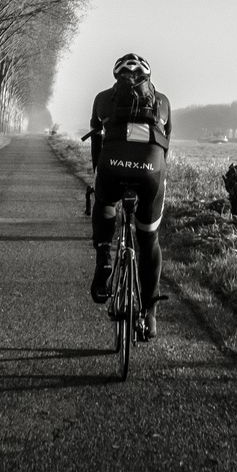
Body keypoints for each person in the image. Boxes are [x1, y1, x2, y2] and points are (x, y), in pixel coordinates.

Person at [87, 53, 172, 340]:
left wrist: (97, 175)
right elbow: (165, 147)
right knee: (149, 238)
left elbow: (96, 143)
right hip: (151, 171)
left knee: (106, 202)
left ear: (116, 77)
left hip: (111, 167)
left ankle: (104, 258)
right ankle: (150, 313)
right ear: (148, 77)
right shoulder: (162, 102)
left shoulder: (102, 99)